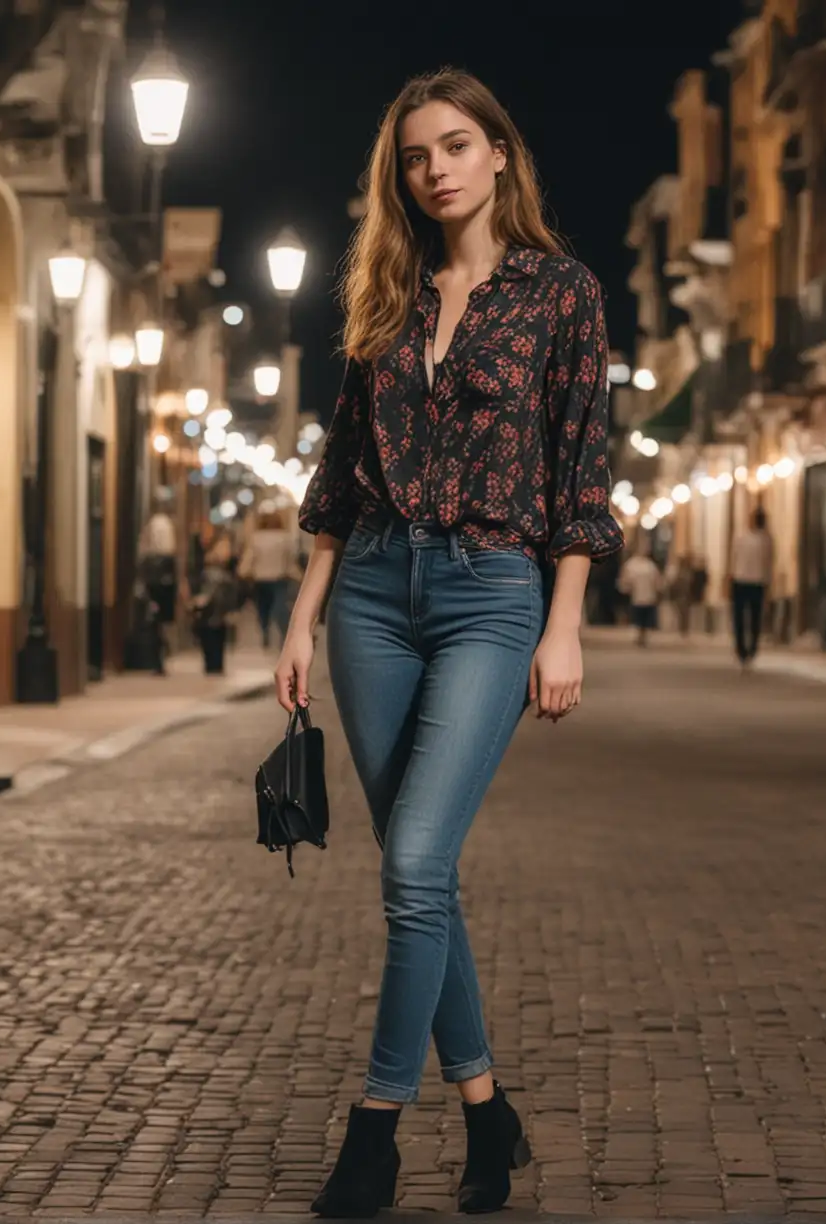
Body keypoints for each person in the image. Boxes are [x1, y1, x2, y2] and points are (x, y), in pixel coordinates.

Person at [272, 68, 621, 1219]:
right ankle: (486, 1113)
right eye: (418, 155)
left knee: (417, 865)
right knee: (419, 877)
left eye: (458, 145)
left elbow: (582, 466)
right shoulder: (388, 292)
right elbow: (341, 464)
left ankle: (372, 1132)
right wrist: (305, 611)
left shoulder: (562, 294)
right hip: (372, 588)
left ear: (500, 155)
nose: (437, 170)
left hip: (492, 594)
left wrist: (564, 623)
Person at [242, 509, 303, 649]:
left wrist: (244, 571)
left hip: (260, 579)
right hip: (279, 578)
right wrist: (298, 575)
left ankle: (265, 632)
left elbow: (250, 558)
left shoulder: (256, 538)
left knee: (262, 608)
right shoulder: (285, 538)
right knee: (280, 606)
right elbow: (290, 560)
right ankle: (283, 634)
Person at [138, 486, 182, 671]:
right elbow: (168, 550)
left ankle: (159, 657)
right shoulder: (162, 524)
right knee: (160, 619)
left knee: (156, 618)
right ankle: (159, 658)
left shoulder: (153, 524)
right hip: (162, 578)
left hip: (156, 578)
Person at [729, 507, 774, 667]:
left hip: (747, 580)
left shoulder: (754, 538)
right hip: (750, 581)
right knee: (748, 617)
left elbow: (733, 559)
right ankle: (746, 649)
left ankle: (747, 649)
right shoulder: (763, 540)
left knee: (748, 617)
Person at [617, 550, 663, 647]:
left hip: (638, 597)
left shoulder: (632, 565)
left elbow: (625, 580)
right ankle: (642, 634)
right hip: (646, 596)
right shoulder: (650, 566)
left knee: (639, 617)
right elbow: (657, 581)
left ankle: (640, 635)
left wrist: (624, 588)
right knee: (643, 617)